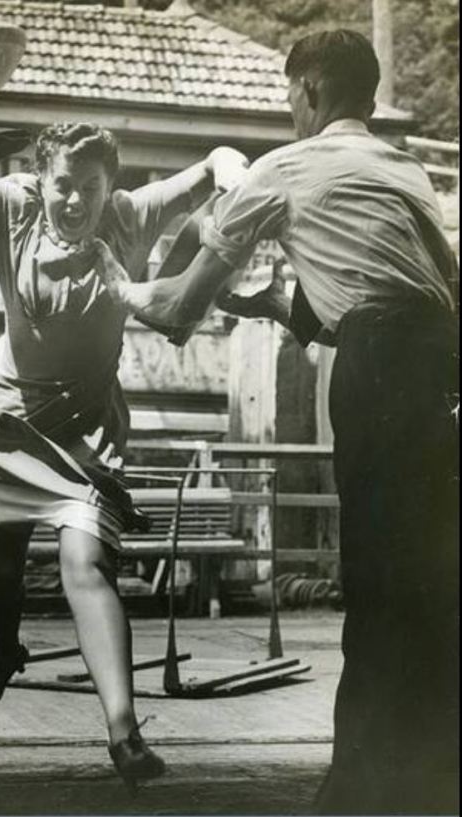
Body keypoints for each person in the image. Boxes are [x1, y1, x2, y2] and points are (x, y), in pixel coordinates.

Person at [94, 30, 459, 814]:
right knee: (430, 586)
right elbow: (398, 290)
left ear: (312, 92)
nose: (288, 110)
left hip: (382, 369)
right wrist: (271, 303)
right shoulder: (407, 171)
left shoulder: (282, 169)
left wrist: (112, 281)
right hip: (444, 372)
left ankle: (360, 793)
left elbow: (179, 309)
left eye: (290, 96)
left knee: (375, 586)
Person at [0, 120, 248, 787]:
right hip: (9, 427)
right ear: (42, 181)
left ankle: (124, 733)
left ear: (110, 187)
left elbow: (214, 162)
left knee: (85, 563)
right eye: (62, 184)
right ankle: (3, 653)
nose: (74, 200)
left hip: (87, 433)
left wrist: (229, 167)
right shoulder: (10, 207)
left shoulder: (131, 215)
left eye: (89, 188)